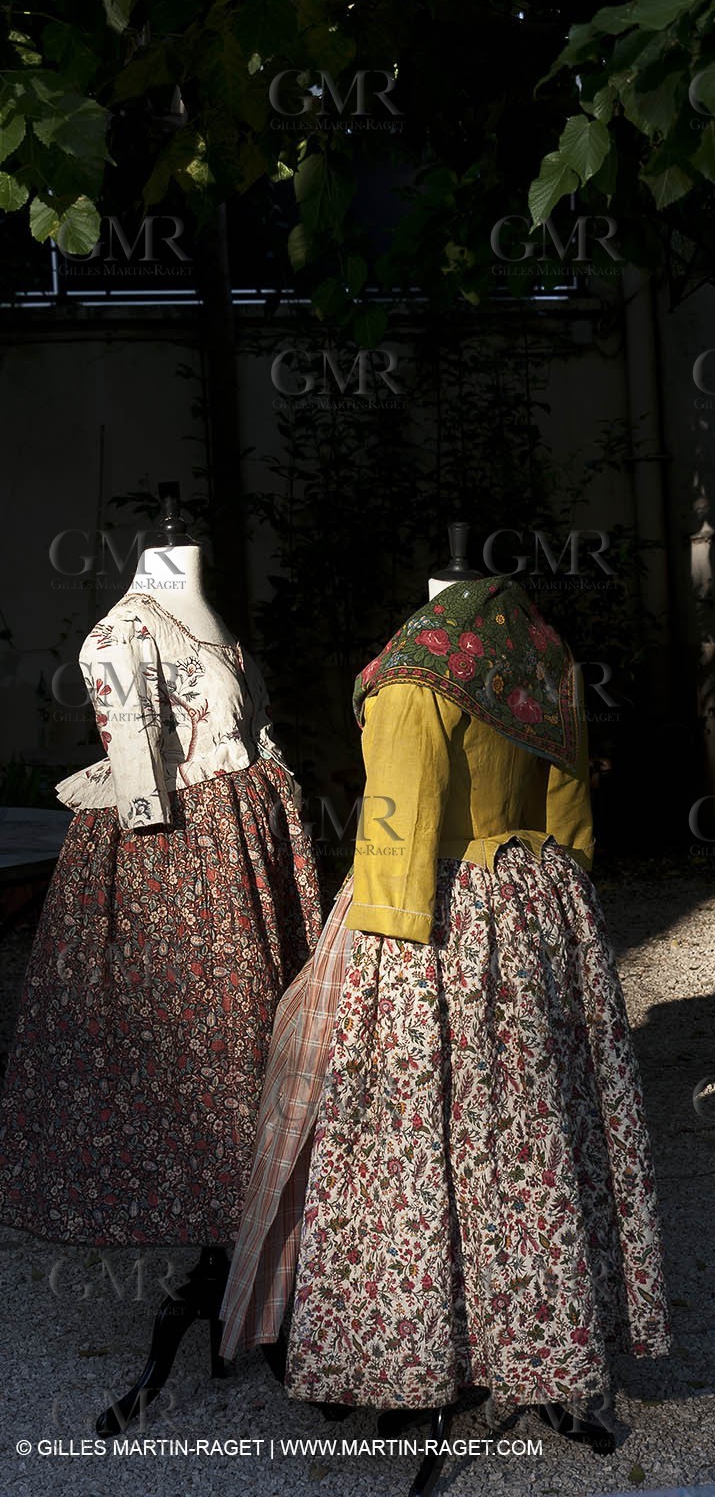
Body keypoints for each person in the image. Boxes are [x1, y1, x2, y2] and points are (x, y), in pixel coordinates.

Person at [219, 575, 669, 1441]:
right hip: (538, 904)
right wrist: (561, 888)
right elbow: (568, 805)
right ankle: (540, 1345)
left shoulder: (417, 671)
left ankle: (419, 1353)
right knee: (533, 1141)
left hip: (432, 918)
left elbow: (397, 821)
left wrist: (384, 938)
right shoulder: (541, 650)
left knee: (411, 1142)